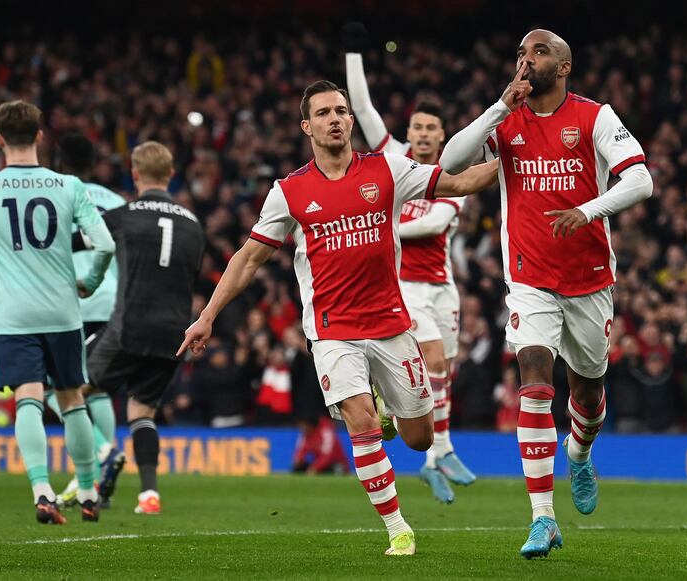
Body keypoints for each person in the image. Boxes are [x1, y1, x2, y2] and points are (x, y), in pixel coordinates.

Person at [178, 80, 498, 555]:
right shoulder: (289, 192)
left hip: (391, 325)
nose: (335, 118)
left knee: (418, 438)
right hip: (332, 331)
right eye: (324, 112)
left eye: (342, 111)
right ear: (307, 126)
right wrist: (207, 315)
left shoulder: (389, 170)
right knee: (359, 420)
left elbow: (461, 182)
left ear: (351, 121)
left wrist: (518, 156)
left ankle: (390, 410)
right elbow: (247, 259)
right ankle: (398, 529)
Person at [440, 29, 653, 558]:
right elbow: (449, 162)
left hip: (589, 280)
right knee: (533, 377)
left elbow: (641, 180)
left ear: (563, 67)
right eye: (519, 53)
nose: (524, 60)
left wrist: (588, 210)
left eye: (537, 53)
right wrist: (495, 108)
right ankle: (542, 519)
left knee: (587, 394)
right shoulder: (506, 119)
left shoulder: (594, 117)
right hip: (529, 277)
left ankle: (578, 453)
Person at [0, 100, 115, 523]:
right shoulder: (68, 187)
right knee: (71, 401)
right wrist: (90, 283)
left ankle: (42, 490)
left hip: (14, 316)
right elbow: (105, 245)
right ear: (39, 136)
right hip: (64, 311)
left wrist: (2, 287)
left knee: (28, 399)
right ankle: (87, 492)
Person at [344, 22, 476, 505]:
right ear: (410, 133)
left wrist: (373, 224)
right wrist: (354, 51)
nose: (422, 134)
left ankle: (434, 454)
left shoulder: (449, 176)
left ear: (442, 137)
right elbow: (362, 107)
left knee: (445, 371)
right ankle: (430, 443)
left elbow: (432, 225)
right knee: (435, 359)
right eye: (416, 127)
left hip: (443, 287)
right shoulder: (394, 158)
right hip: (404, 285)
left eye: (431, 129)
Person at [79, 141, 204, 515]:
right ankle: (148, 494)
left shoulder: (124, 214)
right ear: (170, 174)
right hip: (173, 332)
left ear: (134, 175)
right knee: (142, 409)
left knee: (72, 389)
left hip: (129, 324)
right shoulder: (193, 224)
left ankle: (92, 471)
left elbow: (77, 243)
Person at [45, 134, 127, 509]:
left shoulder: (57, 195)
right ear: (95, 164)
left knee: (51, 387)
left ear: (60, 162)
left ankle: (98, 460)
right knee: (99, 389)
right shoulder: (117, 202)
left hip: (70, 302)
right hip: (112, 303)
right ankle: (97, 483)